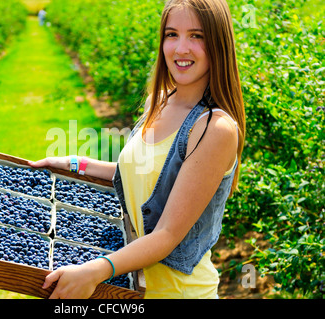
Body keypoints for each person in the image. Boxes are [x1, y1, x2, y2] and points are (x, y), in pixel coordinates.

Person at [29, 0, 246, 299]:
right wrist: (74, 164)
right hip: (131, 290)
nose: (181, 48)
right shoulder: (158, 101)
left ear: (218, 44)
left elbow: (167, 235)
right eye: (172, 34)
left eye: (197, 36)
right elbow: (138, 178)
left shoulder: (214, 128)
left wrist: (96, 270)